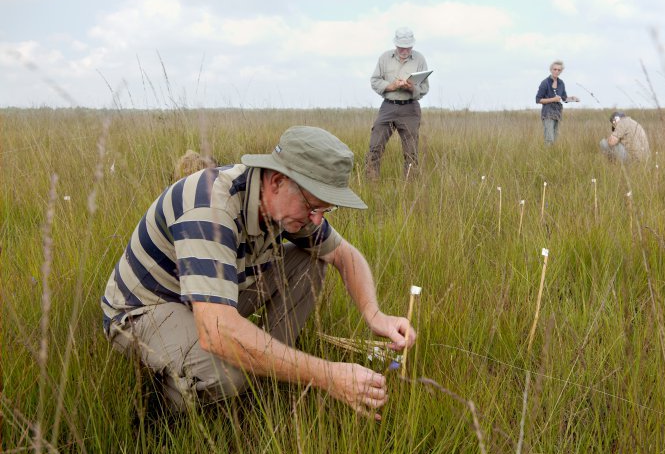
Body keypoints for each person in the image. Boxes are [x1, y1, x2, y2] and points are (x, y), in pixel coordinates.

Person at [101, 126, 416, 420]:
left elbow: (345, 256)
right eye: (312, 207)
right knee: (228, 372)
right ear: (277, 182)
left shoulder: (288, 203)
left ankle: (265, 369)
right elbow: (216, 332)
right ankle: (160, 411)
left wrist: (375, 315)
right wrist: (328, 375)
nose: (317, 220)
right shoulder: (209, 208)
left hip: (212, 297)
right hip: (147, 308)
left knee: (311, 261)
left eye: (326, 210)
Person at [366, 27, 430, 179]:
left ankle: (410, 189)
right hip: (388, 106)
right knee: (374, 147)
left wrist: (411, 88)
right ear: (396, 44)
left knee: (411, 153)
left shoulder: (420, 59)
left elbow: (425, 87)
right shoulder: (384, 58)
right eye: (401, 46)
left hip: (410, 109)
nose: (404, 50)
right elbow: (375, 81)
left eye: (407, 47)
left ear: (412, 45)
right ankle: (371, 186)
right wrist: (391, 86)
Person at [535, 60, 579, 145]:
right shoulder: (545, 83)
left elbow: (564, 98)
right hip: (547, 113)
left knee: (555, 139)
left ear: (561, 71)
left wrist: (573, 99)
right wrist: (553, 99)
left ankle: (552, 156)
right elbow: (538, 100)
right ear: (551, 69)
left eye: (559, 70)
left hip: (557, 113)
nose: (556, 71)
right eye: (555, 69)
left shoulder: (561, 83)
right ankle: (546, 157)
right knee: (549, 139)